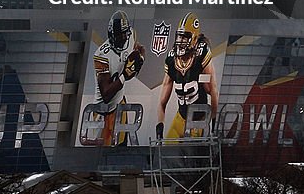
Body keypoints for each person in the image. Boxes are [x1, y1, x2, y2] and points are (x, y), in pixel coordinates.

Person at [86, 10, 145, 146]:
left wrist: (140, 60)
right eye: (120, 35)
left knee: (121, 146)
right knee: (102, 153)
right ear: (111, 35)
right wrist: (125, 75)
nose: (124, 37)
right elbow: (106, 94)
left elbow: (141, 49)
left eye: (125, 33)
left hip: (119, 104)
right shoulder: (101, 55)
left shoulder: (131, 36)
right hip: (103, 111)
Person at [156, 11, 218, 140]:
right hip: (181, 117)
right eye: (179, 37)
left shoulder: (201, 53)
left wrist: (213, 123)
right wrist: (159, 127)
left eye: (185, 37)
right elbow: (162, 102)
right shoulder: (172, 59)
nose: (180, 41)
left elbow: (212, 90)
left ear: (194, 39)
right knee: (166, 152)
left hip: (198, 121)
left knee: (191, 156)